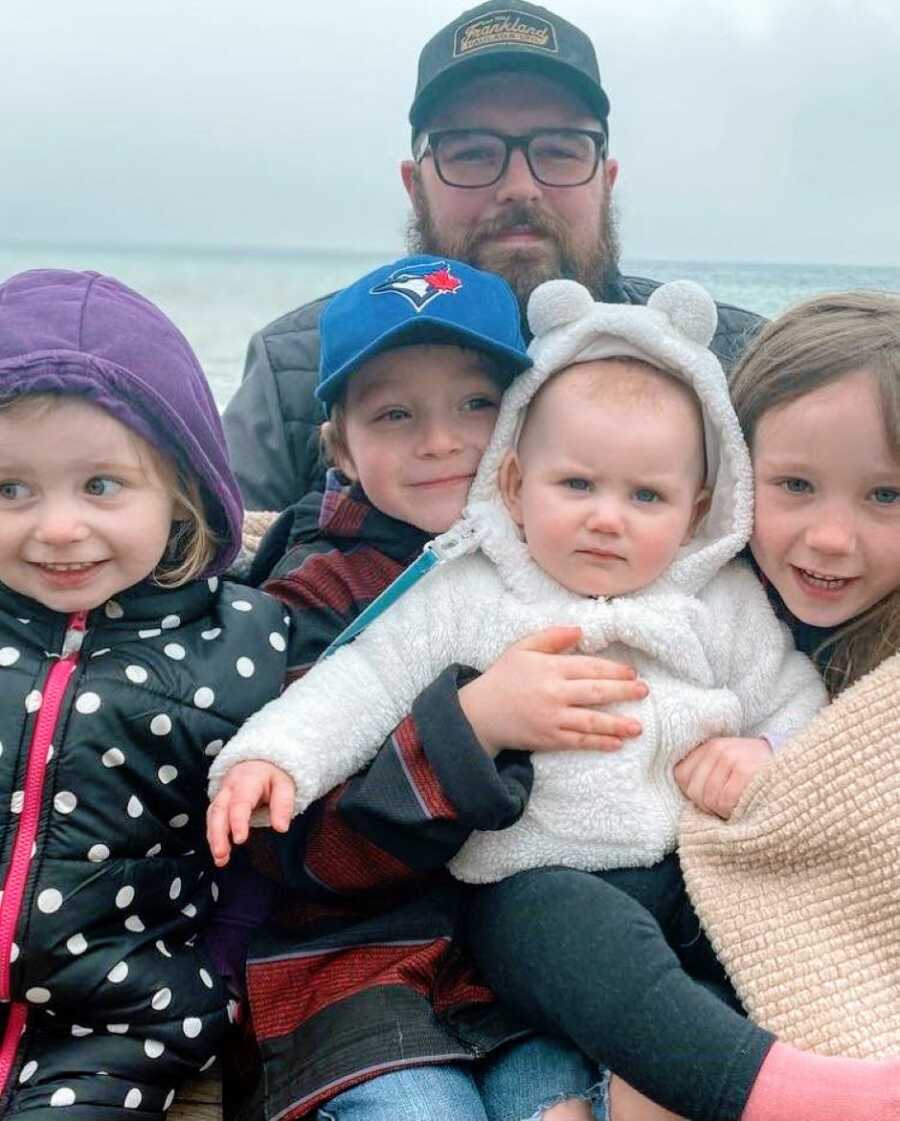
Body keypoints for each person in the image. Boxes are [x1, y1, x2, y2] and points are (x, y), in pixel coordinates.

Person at [209, 278, 900, 1121]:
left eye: (645, 496)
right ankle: (763, 1089)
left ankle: (673, 1088)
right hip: (537, 888)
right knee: (555, 916)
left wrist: (767, 754)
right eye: (577, 485)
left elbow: (792, 700)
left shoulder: (715, 597)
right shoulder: (474, 589)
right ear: (515, 481)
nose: (609, 519)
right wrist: (272, 754)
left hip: (686, 880)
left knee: (705, 960)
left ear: (700, 510)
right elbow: (362, 679)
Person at [207, 257, 634, 1121]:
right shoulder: (311, 590)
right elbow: (293, 842)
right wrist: (467, 726)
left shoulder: (562, 561)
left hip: (518, 978)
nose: (440, 440)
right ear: (338, 446)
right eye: (395, 413)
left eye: (477, 404)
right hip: (352, 977)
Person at [222, 0, 763, 513]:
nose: (520, 187)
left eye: (558, 150)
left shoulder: (729, 363)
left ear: (607, 180)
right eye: (474, 153)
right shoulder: (297, 370)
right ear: (415, 187)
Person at [0, 268, 306, 1120]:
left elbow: (255, 852)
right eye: (10, 489)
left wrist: (223, 974)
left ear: (182, 487)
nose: (57, 527)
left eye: (100, 485)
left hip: (122, 1026)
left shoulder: (243, 642)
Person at [679, 290, 900, 1060]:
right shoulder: (695, 609)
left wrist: (780, 762)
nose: (832, 537)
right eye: (796, 486)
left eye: (886, 495)